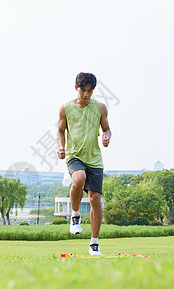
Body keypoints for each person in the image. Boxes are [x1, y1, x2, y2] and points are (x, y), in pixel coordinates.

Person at [56, 72, 111, 256]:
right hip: (74, 155)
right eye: (83, 90)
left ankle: (94, 243)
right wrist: (60, 147)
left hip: (95, 159)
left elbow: (107, 129)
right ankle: (75, 215)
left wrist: (106, 137)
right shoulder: (65, 108)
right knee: (79, 178)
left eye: (90, 91)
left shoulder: (101, 108)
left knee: (95, 199)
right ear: (76, 88)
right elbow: (60, 131)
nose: (86, 94)